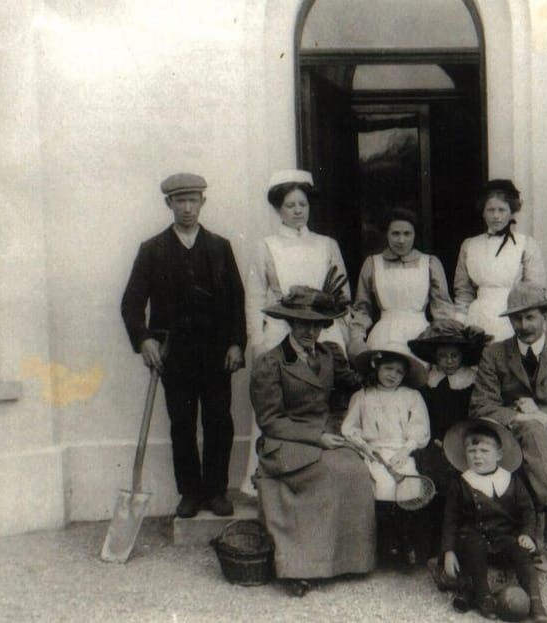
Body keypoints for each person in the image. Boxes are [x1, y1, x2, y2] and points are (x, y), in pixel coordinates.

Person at [121, 172, 246, 518]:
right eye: (180, 201)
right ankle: (190, 492)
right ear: (169, 203)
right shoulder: (152, 250)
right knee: (182, 422)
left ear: (203, 202)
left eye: (193, 200)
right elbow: (131, 303)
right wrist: (144, 338)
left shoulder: (220, 247)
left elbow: (237, 301)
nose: (187, 208)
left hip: (217, 353)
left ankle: (216, 491)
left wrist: (236, 343)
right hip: (173, 355)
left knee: (219, 421)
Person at [249, 286, 372, 596]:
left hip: (326, 432)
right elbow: (270, 420)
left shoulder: (329, 354)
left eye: (317, 325)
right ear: (291, 323)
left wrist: (381, 367)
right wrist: (317, 438)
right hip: (287, 439)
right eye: (303, 324)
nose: (310, 332)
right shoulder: (271, 363)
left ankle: (346, 562)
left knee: (356, 469)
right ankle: (301, 566)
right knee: (328, 472)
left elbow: (352, 384)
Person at [242, 169, 352, 496]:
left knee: (326, 398)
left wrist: (342, 334)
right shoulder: (265, 246)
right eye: (290, 205)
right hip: (280, 331)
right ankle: (271, 479)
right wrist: (257, 341)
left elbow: (342, 294)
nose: (297, 211)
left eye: (302, 204)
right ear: (279, 209)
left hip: (323, 331)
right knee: (279, 401)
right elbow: (255, 297)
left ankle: (327, 476)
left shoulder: (327, 245)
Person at [470, 282, 547, 548]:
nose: (524, 325)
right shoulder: (494, 354)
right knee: (530, 430)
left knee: (534, 432)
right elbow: (481, 407)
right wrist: (520, 418)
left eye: (530, 317)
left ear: (545, 316)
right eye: (516, 318)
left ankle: (530, 545)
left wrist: (542, 416)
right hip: (510, 440)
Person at [441, 418, 547, 622]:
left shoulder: (511, 480)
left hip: (504, 538)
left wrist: (527, 534)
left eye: (484, 451)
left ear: (498, 455)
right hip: (472, 540)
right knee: (473, 545)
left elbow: (528, 511)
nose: (477, 456)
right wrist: (448, 551)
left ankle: (535, 601)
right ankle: (483, 597)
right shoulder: (461, 482)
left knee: (522, 554)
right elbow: (450, 520)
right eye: (472, 451)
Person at [407, 319, 492, 560]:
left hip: (463, 442)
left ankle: (460, 546)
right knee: (428, 478)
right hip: (432, 441)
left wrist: (457, 443)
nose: (449, 361)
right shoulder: (428, 382)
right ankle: (429, 548)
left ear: (463, 355)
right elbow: (421, 417)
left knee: (456, 481)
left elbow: (475, 416)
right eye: (443, 356)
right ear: (435, 358)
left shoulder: (471, 382)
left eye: (454, 355)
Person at [342, 340, 430, 567]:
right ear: (377, 367)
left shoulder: (411, 396)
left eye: (399, 372)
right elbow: (349, 428)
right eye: (388, 368)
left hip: (401, 451)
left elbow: (420, 428)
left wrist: (406, 449)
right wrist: (364, 446)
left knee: (408, 483)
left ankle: (405, 543)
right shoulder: (362, 396)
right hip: (373, 452)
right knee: (381, 484)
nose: (393, 375)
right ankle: (384, 545)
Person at [454, 180, 546, 342]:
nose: (496, 216)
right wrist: (460, 323)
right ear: (483, 212)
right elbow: (463, 290)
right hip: (477, 319)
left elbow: (535, 290)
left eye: (502, 210)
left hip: (512, 317)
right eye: (490, 210)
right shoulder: (470, 245)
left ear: (512, 212)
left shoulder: (525, 244)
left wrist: (527, 324)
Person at [351, 208, 455, 350]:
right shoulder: (373, 263)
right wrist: (357, 339)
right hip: (383, 336)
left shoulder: (430, 263)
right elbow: (362, 308)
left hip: (420, 336)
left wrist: (446, 340)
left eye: (407, 234)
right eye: (395, 234)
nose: (401, 240)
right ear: (386, 234)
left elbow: (443, 309)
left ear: (414, 235)